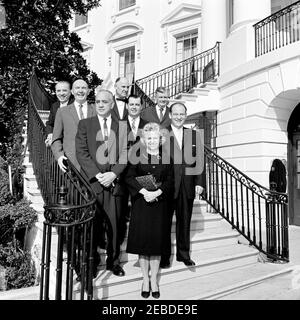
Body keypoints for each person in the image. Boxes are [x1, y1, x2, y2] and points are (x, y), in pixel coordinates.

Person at [76, 89, 128, 277]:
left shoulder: (122, 126)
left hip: (114, 185)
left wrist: (113, 174)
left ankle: (113, 263)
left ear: (112, 104)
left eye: (104, 101)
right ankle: (90, 263)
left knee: (114, 226)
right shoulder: (85, 124)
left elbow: (125, 154)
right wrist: (98, 175)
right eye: (97, 101)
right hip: (93, 184)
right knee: (91, 227)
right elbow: (81, 152)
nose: (100, 104)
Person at [125, 122, 174, 299]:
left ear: (160, 140)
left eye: (155, 138)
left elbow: (170, 181)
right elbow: (129, 177)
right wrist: (144, 191)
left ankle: (154, 280)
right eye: (149, 138)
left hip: (159, 206)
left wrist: (158, 193)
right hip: (142, 204)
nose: (152, 141)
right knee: (143, 245)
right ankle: (145, 279)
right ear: (144, 140)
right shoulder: (137, 156)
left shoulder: (166, 157)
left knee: (156, 245)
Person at [160, 102, 204, 268]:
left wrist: (200, 183)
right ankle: (164, 257)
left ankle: (183, 255)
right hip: (166, 187)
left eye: (182, 114)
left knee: (184, 222)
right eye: (176, 114)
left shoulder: (194, 135)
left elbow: (199, 160)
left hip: (187, 186)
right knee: (164, 223)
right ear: (170, 115)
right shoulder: (162, 133)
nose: (179, 117)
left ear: (185, 115)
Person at [51, 79, 96, 171]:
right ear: (72, 91)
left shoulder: (96, 110)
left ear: (88, 91)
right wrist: (59, 155)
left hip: (94, 163)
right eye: (77, 88)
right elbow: (56, 138)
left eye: (83, 88)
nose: (80, 90)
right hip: (71, 163)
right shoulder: (62, 112)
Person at [45, 81, 73, 146]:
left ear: (70, 92)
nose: (61, 93)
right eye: (58, 91)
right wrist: (50, 135)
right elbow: (49, 124)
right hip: (58, 145)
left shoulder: (76, 105)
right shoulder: (54, 106)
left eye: (64, 90)